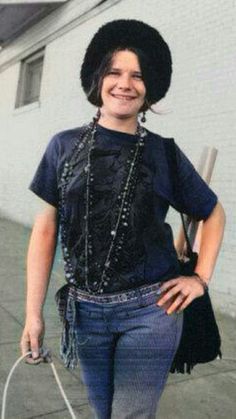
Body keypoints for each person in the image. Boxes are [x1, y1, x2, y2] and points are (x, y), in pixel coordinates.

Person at [20, 19, 225, 419]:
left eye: (138, 76)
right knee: (102, 412)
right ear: (97, 79)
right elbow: (45, 232)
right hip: (85, 313)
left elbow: (212, 211)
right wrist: (33, 314)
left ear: (150, 89)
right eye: (114, 72)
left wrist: (200, 278)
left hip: (151, 310)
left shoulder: (164, 153)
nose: (125, 83)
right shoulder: (62, 147)